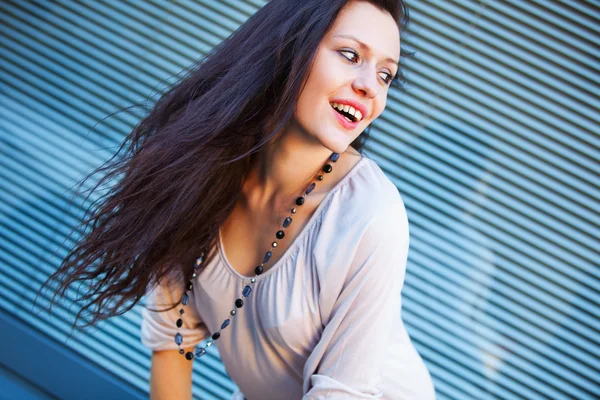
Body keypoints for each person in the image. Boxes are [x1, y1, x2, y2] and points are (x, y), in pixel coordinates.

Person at [41, 0, 436, 399]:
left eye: (387, 75)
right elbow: (173, 342)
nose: (370, 86)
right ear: (288, 47)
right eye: (351, 55)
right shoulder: (202, 175)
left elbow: (341, 393)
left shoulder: (369, 216)